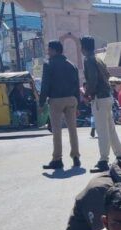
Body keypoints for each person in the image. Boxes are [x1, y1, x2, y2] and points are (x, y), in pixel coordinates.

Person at [81, 36, 121, 173]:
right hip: (107, 96)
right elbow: (106, 74)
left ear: (83, 48)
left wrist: (87, 94)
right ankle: (120, 156)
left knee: (102, 130)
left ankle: (103, 160)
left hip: (99, 98)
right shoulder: (99, 59)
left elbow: (92, 80)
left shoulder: (89, 60)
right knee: (110, 129)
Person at [40, 41, 81, 170]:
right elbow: (76, 85)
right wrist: (77, 104)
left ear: (55, 50)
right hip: (71, 99)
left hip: (56, 100)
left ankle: (57, 159)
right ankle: (76, 157)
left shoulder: (48, 65)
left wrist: (41, 103)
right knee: (72, 129)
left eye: (49, 49)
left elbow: (45, 85)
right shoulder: (72, 65)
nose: (48, 52)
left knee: (57, 131)